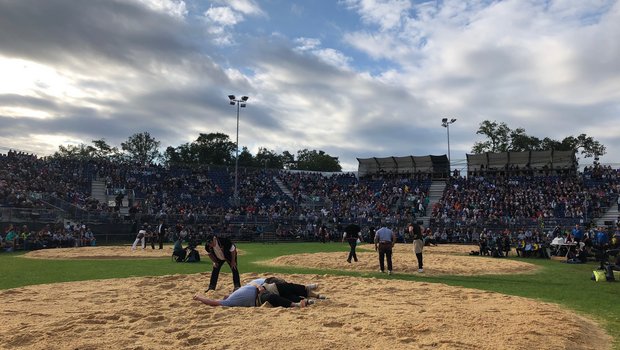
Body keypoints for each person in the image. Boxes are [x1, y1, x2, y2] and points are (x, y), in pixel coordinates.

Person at [193, 277, 319, 308]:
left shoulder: (244, 287)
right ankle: (297, 303)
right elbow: (213, 302)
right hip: (258, 298)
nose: (227, 294)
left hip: (264, 286)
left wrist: (259, 287)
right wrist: (200, 297)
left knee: (283, 287)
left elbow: (254, 283)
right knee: (272, 297)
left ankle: (306, 292)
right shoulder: (229, 301)